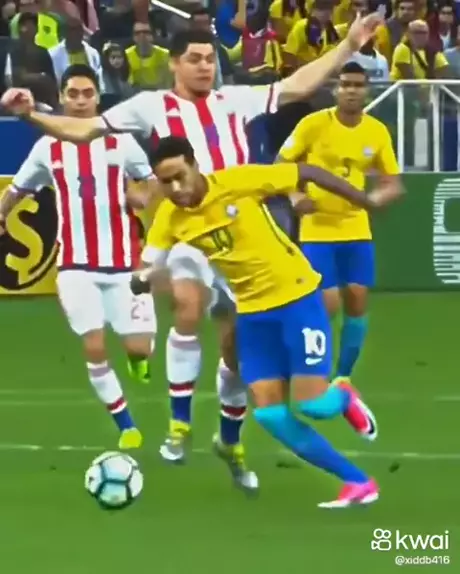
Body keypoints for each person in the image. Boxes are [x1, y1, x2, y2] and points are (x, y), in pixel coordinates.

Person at [0, 13, 383, 483]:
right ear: (175, 64)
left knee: (235, 351)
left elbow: (298, 85)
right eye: (195, 59)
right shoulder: (150, 106)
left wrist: (348, 45)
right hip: (187, 228)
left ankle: (231, 436)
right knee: (186, 302)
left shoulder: (234, 100)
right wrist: (30, 115)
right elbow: (84, 129)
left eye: (210, 59)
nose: (205, 66)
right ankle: (179, 426)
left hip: (242, 233)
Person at [133, 136, 397, 507]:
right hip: (252, 314)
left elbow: (305, 171)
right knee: (270, 414)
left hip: (297, 298)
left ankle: (343, 396)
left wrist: (364, 201)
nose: (176, 188)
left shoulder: (239, 182)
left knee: (313, 405)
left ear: (194, 165)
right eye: (166, 182)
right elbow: (148, 264)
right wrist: (141, 278)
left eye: (180, 176)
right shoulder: (169, 218)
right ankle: (357, 481)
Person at [0, 65, 156, 449]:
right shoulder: (47, 148)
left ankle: (137, 358)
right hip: (75, 265)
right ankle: (127, 426)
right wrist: (1, 214)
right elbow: (18, 188)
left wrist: (140, 196)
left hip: (124, 265)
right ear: (62, 98)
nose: (81, 101)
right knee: (94, 345)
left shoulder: (121, 142)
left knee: (140, 347)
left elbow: (150, 182)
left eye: (88, 93)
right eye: (73, 93)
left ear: (98, 97)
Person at [277, 62, 402, 387]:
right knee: (327, 302)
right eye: (345, 84)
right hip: (317, 227)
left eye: (357, 85)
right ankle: (305, 365)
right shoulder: (313, 124)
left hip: (356, 228)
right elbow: (280, 165)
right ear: (335, 89)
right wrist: (294, 196)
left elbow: (392, 182)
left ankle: (342, 376)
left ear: (367, 91)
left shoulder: (376, 131)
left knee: (358, 299)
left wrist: (378, 198)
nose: (351, 91)